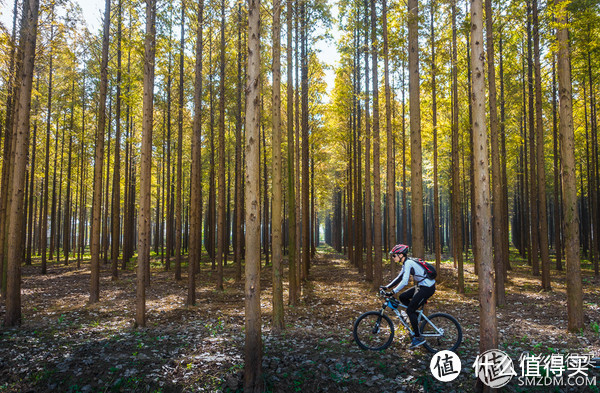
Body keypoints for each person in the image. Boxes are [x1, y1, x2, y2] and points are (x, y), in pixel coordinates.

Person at [380, 244, 436, 349]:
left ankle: (418, 337)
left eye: (394, 255)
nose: (393, 258)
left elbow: (405, 281)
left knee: (409, 310)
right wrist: (386, 287)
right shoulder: (406, 263)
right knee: (402, 297)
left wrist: (392, 292)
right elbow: (399, 277)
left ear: (401, 255)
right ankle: (414, 316)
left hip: (427, 288)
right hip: (421, 286)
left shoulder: (408, 263)